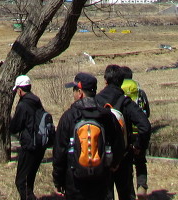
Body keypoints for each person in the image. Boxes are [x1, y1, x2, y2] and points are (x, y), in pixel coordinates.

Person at [53, 72, 126, 200]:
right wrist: (113, 165)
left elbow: (59, 152)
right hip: (101, 180)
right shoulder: (107, 116)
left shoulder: (69, 117)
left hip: (74, 183)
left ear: (80, 92)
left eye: (74, 90)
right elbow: (119, 144)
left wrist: (58, 181)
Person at [94, 65, 151, 200]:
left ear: (105, 80)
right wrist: (138, 145)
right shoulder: (125, 102)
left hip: (101, 157)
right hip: (123, 156)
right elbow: (145, 126)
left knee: (105, 194)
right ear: (121, 82)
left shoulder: (96, 101)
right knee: (126, 193)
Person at [10, 74, 47, 200]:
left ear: (20, 90)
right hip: (40, 145)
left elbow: (15, 126)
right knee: (29, 181)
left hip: (29, 146)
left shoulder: (23, 105)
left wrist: (9, 123)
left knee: (21, 182)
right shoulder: (36, 101)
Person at [119, 67, 150, 194]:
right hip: (139, 133)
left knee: (126, 165)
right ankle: (141, 186)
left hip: (125, 134)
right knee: (140, 162)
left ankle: (130, 191)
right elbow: (147, 112)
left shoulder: (119, 92)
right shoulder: (139, 92)